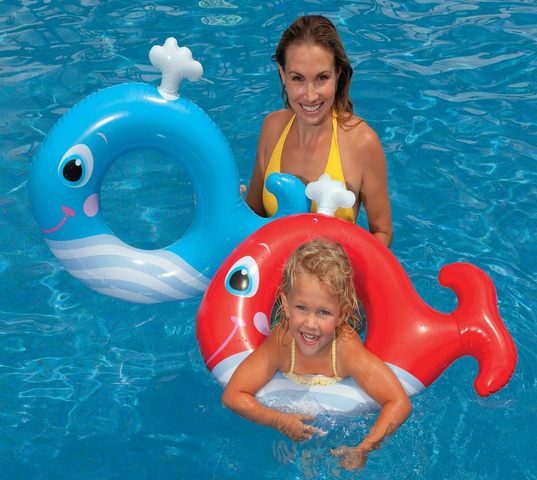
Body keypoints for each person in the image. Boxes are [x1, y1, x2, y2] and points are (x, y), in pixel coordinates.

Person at [222, 238, 411, 470]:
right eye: (301, 308)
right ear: (285, 304)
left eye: (324, 312)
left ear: (342, 315)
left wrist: (364, 448)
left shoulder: (345, 350)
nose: (311, 324)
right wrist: (278, 421)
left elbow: (398, 402)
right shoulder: (282, 342)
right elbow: (233, 395)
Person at [245, 15, 393, 247]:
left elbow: (382, 231)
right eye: (298, 78)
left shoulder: (362, 142)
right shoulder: (272, 128)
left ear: (338, 73)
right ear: (282, 73)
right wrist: (223, 206)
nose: (310, 95)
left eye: (322, 78)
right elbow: (254, 213)